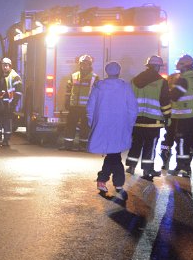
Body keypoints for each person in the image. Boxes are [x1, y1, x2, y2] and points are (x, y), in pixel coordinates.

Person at [87, 61, 138, 200]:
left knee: (113, 154)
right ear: (119, 72)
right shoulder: (125, 87)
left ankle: (109, 180)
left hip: (103, 124)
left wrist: (92, 123)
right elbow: (133, 108)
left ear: (107, 72)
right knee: (115, 154)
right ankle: (115, 182)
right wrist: (130, 124)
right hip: (120, 125)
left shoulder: (98, 87)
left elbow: (90, 106)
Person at [125, 55, 171, 181]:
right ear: (156, 66)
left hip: (136, 120)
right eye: (159, 67)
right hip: (153, 122)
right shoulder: (162, 82)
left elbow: (128, 100)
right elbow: (165, 102)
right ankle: (147, 170)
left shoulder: (134, 80)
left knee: (135, 144)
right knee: (150, 147)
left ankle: (131, 167)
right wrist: (168, 117)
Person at [60, 54, 99, 151]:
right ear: (79, 64)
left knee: (85, 127)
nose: (84, 65)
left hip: (87, 107)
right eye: (82, 63)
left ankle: (83, 146)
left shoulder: (95, 77)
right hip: (74, 107)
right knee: (70, 126)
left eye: (86, 63)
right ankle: (67, 145)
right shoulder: (74, 76)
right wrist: (67, 102)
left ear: (90, 64)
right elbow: (68, 90)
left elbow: (98, 93)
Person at [0, 57, 22, 147]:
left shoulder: (15, 77)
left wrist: (13, 104)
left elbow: (18, 92)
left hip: (8, 104)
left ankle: (6, 140)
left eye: (7, 65)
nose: (5, 67)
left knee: (7, 122)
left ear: (10, 66)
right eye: (3, 65)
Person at [159, 70, 181, 171]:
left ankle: (165, 160)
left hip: (171, 119)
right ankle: (182, 166)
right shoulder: (183, 89)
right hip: (181, 119)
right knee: (181, 142)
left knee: (167, 140)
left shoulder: (167, 91)